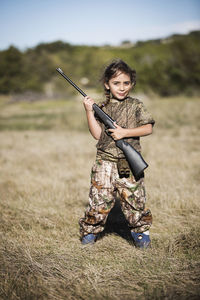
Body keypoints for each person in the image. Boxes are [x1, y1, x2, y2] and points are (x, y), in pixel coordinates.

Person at [79, 59, 155, 248]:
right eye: (116, 83)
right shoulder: (102, 108)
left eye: (126, 83)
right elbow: (97, 134)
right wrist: (89, 111)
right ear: (107, 84)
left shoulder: (136, 105)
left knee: (134, 201)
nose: (121, 88)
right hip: (104, 162)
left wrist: (125, 133)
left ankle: (140, 234)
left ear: (132, 84)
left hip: (129, 164)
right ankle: (90, 233)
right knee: (98, 200)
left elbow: (148, 128)